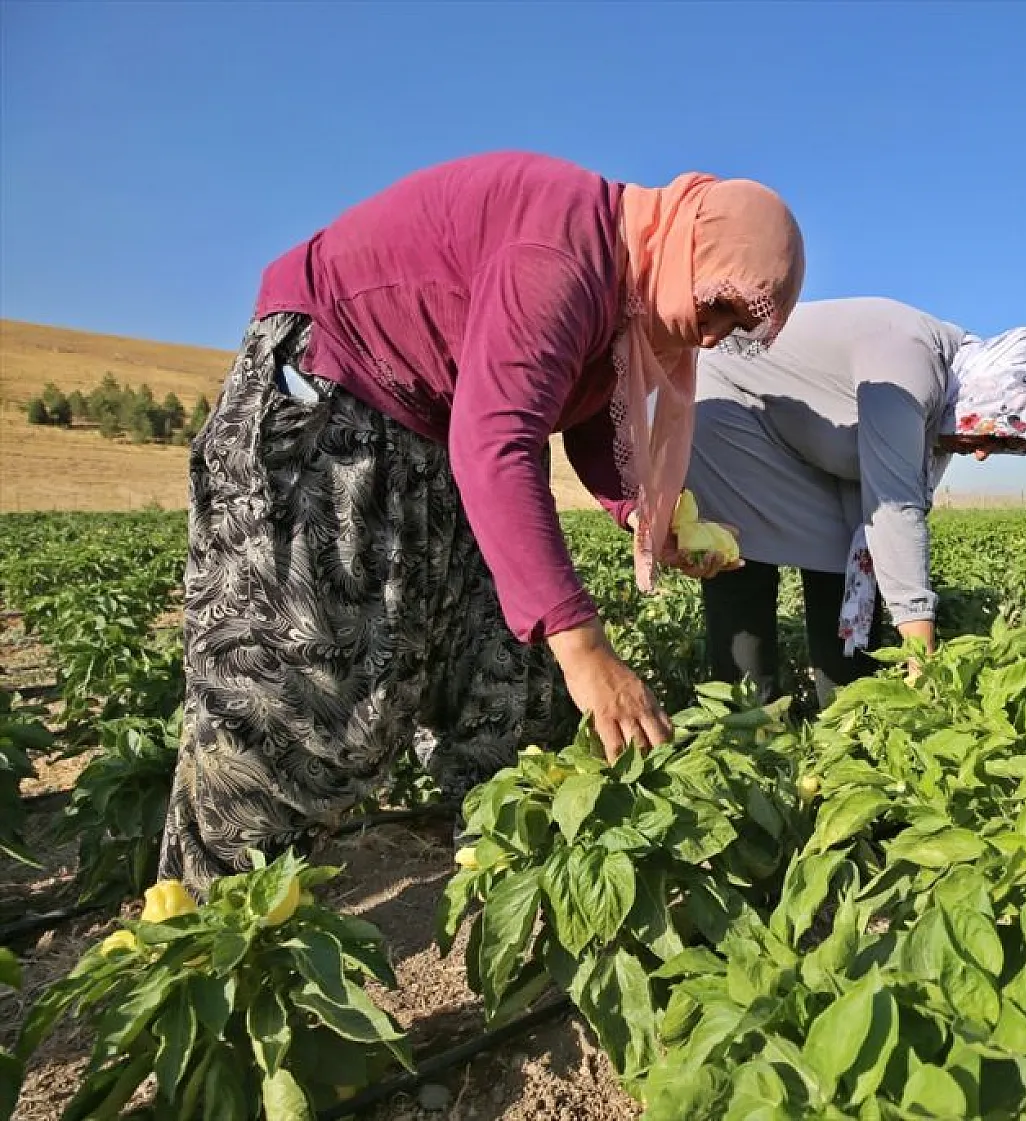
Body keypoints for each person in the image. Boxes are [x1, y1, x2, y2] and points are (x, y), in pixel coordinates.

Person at [158, 151, 804, 892]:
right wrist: (587, 648)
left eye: (736, 324)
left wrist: (644, 516)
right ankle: (210, 931)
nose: (715, 335)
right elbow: (497, 439)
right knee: (296, 693)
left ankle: (507, 867)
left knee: (503, 677)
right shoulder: (562, 256)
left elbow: (592, 413)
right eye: (718, 304)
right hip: (326, 398)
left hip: (422, 428)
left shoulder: (624, 285)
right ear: (692, 241)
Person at [686, 297, 1026, 706]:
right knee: (744, 556)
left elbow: (883, 526)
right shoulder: (908, 359)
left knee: (848, 562)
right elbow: (895, 509)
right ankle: (747, 726)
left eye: (1010, 446)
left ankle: (848, 720)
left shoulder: (951, 397)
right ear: (992, 386)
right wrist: (923, 665)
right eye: (995, 433)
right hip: (729, 406)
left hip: (800, 436)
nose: (982, 453)